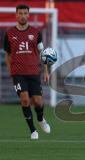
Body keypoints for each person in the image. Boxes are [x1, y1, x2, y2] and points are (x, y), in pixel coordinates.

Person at [3, 4, 51, 139]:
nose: (23, 16)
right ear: (16, 15)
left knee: (38, 102)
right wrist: (10, 70)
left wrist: (46, 71)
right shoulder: (9, 33)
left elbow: (43, 53)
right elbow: (7, 54)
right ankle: (33, 131)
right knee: (24, 100)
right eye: (20, 13)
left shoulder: (36, 33)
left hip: (33, 72)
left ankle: (41, 119)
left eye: (25, 13)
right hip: (18, 73)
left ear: (28, 15)